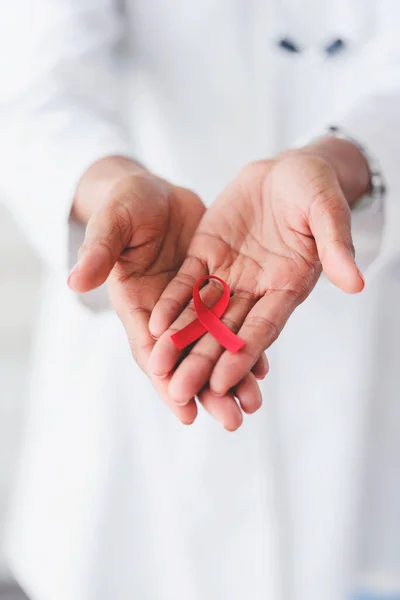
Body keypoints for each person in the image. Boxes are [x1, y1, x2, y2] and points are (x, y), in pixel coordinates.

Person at [0, 1, 399, 599]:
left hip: (358, 344)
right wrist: (106, 183)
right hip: (136, 311)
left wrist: (351, 159)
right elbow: (32, 86)